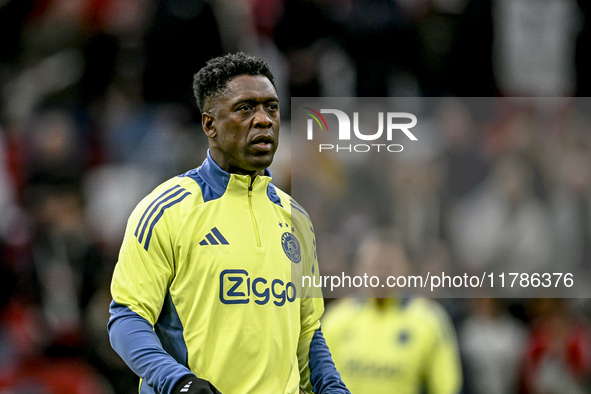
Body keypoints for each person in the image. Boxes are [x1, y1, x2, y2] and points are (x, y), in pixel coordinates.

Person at [107, 53, 350, 394]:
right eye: (246, 108)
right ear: (210, 125)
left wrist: (333, 389)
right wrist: (178, 382)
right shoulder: (166, 209)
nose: (264, 120)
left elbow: (307, 331)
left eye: (272, 108)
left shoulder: (296, 219)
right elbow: (126, 319)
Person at [321, 230, 462, 394]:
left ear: (406, 269)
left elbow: (447, 387)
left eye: (388, 266)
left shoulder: (430, 320)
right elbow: (315, 382)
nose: (380, 274)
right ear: (358, 269)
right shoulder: (335, 318)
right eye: (373, 266)